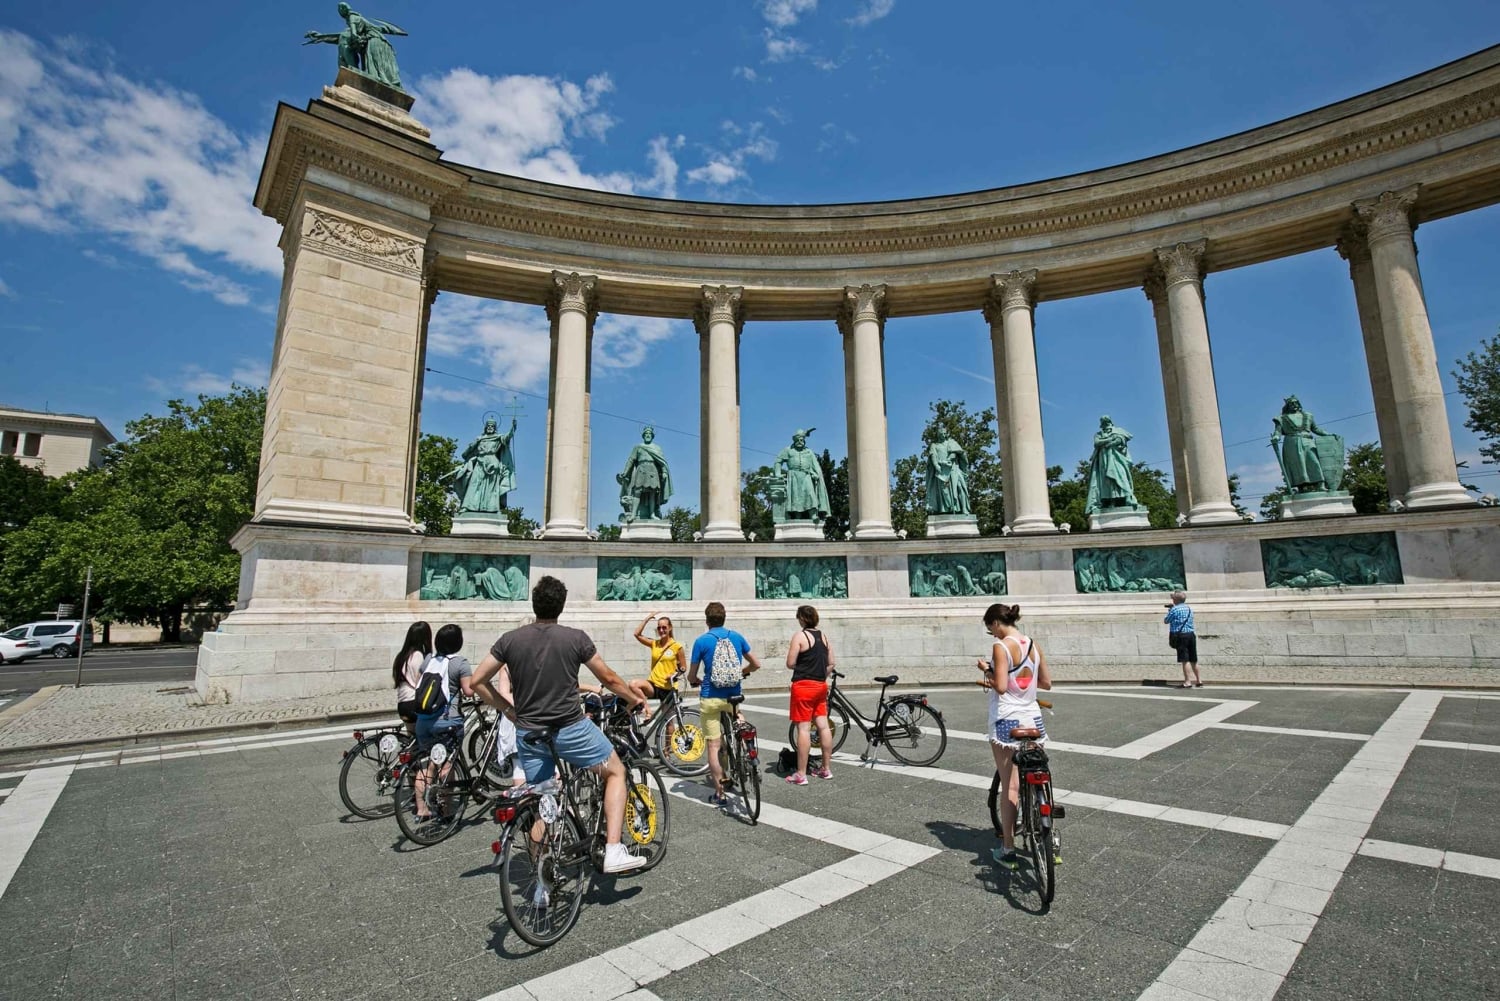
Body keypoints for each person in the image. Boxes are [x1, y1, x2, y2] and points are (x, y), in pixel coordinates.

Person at [470, 576, 652, 875]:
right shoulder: (575, 638)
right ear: (562, 606)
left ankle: (541, 882)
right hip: (570, 729)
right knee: (616, 771)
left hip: (528, 733)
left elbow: (476, 682)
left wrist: (508, 710)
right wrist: (634, 699)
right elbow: (608, 679)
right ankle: (614, 850)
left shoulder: (510, 640)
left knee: (544, 799)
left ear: (534, 603)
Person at [976, 603, 1051, 871]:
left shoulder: (1001, 647)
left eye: (990, 629)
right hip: (1033, 718)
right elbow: (1046, 683)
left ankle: (1008, 847)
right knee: (1037, 769)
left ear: (996, 623)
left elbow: (1001, 686)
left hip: (1007, 718)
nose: (992, 635)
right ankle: (1048, 837)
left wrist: (986, 669)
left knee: (1011, 785)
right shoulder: (1033, 644)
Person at [688, 601, 762, 806]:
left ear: (706, 620)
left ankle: (720, 794)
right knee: (738, 715)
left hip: (711, 697)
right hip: (733, 697)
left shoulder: (701, 641)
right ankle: (747, 743)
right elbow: (756, 664)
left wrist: (695, 680)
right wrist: (742, 672)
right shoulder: (736, 637)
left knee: (713, 745)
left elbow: (692, 675)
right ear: (724, 618)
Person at [412, 624, 474, 823]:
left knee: (426, 766)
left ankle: (421, 809)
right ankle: (446, 810)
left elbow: (420, 684)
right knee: (446, 766)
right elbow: (469, 691)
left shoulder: (428, 660)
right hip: (446, 721)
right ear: (458, 642)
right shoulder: (460, 663)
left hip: (423, 720)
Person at [784, 605, 836, 786]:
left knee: (804, 729)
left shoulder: (800, 636)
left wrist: (804, 667)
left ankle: (801, 773)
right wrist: (821, 674)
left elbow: (790, 663)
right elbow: (831, 663)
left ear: (803, 619)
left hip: (803, 686)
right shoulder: (824, 637)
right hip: (821, 686)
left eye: (798, 617)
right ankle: (826, 768)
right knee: (823, 725)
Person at [392, 621, 432, 735]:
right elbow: (421, 683)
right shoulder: (418, 656)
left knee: (412, 740)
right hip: (413, 702)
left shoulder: (401, 656)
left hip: (402, 703)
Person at [1164, 590, 1201, 688]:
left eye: (1173, 598)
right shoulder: (1189, 608)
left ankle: (1188, 681)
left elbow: (1166, 621)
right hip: (1191, 634)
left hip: (1181, 636)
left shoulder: (1174, 610)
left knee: (1185, 660)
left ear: (1175, 599)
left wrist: (1170, 610)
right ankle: (1199, 680)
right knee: (1193, 659)